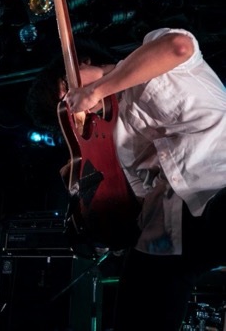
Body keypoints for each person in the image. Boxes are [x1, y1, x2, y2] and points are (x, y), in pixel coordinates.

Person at [26, 28, 226, 330]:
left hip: (218, 181)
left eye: (68, 91)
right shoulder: (113, 139)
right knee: (135, 299)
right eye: (66, 108)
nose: (74, 105)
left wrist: (99, 86)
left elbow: (178, 47)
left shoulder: (150, 52)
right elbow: (127, 210)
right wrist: (88, 202)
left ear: (83, 63)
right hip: (172, 222)